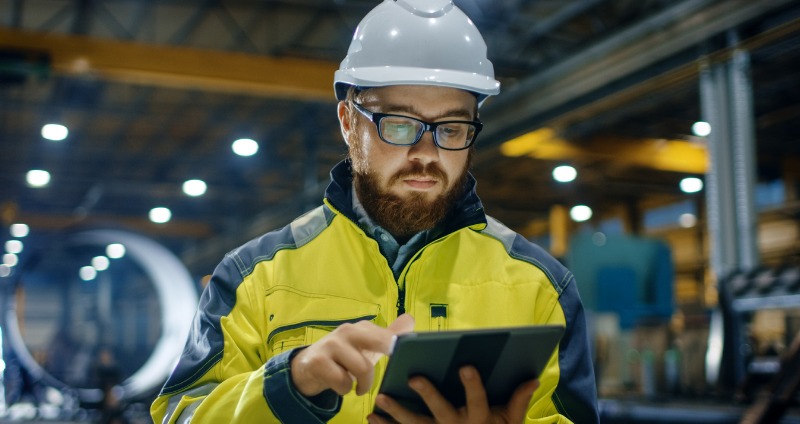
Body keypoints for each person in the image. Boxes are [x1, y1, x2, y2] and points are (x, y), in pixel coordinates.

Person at [151, 0, 598, 422]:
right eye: (399, 124)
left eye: (452, 127)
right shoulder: (254, 277)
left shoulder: (542, 288)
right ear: (348, 122)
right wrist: (289, 383)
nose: (427, 152)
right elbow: (179, 413)